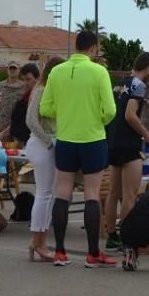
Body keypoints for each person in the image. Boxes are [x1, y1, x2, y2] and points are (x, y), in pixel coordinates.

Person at [39, 31, 118, 267]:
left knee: (62, 191)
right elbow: (111, 111)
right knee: (91, 194)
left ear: (76, 46)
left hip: (65, 138)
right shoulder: (99, 71)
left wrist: (64, 115)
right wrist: (97, 119)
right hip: (92, 138)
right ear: (93, 48)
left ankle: (60, 252)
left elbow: (45, 108)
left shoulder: (56, 71)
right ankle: (93, 253)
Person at [104, 51, 149, 252]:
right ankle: (127, 237)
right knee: (129, 195)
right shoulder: (139, 85)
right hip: (129, 143)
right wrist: (147, 134)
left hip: (113, 142)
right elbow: (130, 115)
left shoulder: (118, 84)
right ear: (148, 68)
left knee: (113, 193)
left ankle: (111, 236)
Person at [25, 57, 64, 261]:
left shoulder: (52, 91)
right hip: (44, 145)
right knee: (45, 194)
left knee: (49, 194)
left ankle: (40, 240)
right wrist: (49, 142)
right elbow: (31, 120)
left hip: (50, 144)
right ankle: (38, 241)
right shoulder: (41, 90)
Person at [8, 63, 39, 146]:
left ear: (37, 79)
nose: (25, 83)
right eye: (23, 80)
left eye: (28, 79)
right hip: (20, 140)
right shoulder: (25, 97)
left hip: (34, 141)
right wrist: (3, 133)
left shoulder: (41, 98)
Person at [0, 61, 24, 137]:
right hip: (3, 121)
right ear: (7, 70)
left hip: (17, 122)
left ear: (19, 70)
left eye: (14, 68)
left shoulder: (24, 86)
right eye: (10, 68)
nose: (12, 70)